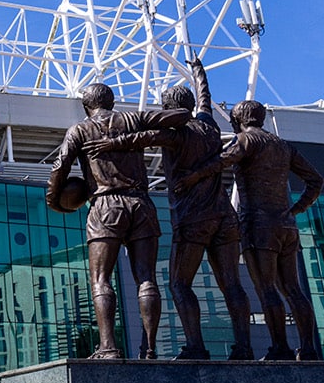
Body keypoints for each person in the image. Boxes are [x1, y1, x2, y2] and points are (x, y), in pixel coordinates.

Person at [85, 58, 253, 359]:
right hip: (225, 217)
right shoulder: (209, 124)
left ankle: (196, 347)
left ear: (169, 110)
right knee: (232, 283)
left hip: (194, 218)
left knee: (179, 283)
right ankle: (244, 347)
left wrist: (111, 144)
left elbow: (145, 137)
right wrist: (200, 73)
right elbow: (205, 97)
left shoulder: (176, 133)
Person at [47, 83, 189, 358]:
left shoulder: (81, 129)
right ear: (111, 102)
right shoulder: (132, 118)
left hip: (105, 206)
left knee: (101, 279)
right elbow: (182, 115)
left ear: (86, 106)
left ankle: (109, 347)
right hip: (141, 205)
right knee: (147, 279)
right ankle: (149, 348)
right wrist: (137, 137)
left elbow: (60, 165)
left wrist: (54, 201)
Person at [180, 98, 324, 360]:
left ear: (237, 121)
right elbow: (316, 180)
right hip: (286, 226)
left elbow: (221, 161)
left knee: (267, 289)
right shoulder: (282, 146)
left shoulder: (247, 141)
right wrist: (297, 209)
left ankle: (280, 348)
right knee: (293, 289)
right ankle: (309, 348)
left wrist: (193, 175)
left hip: (259, 226)